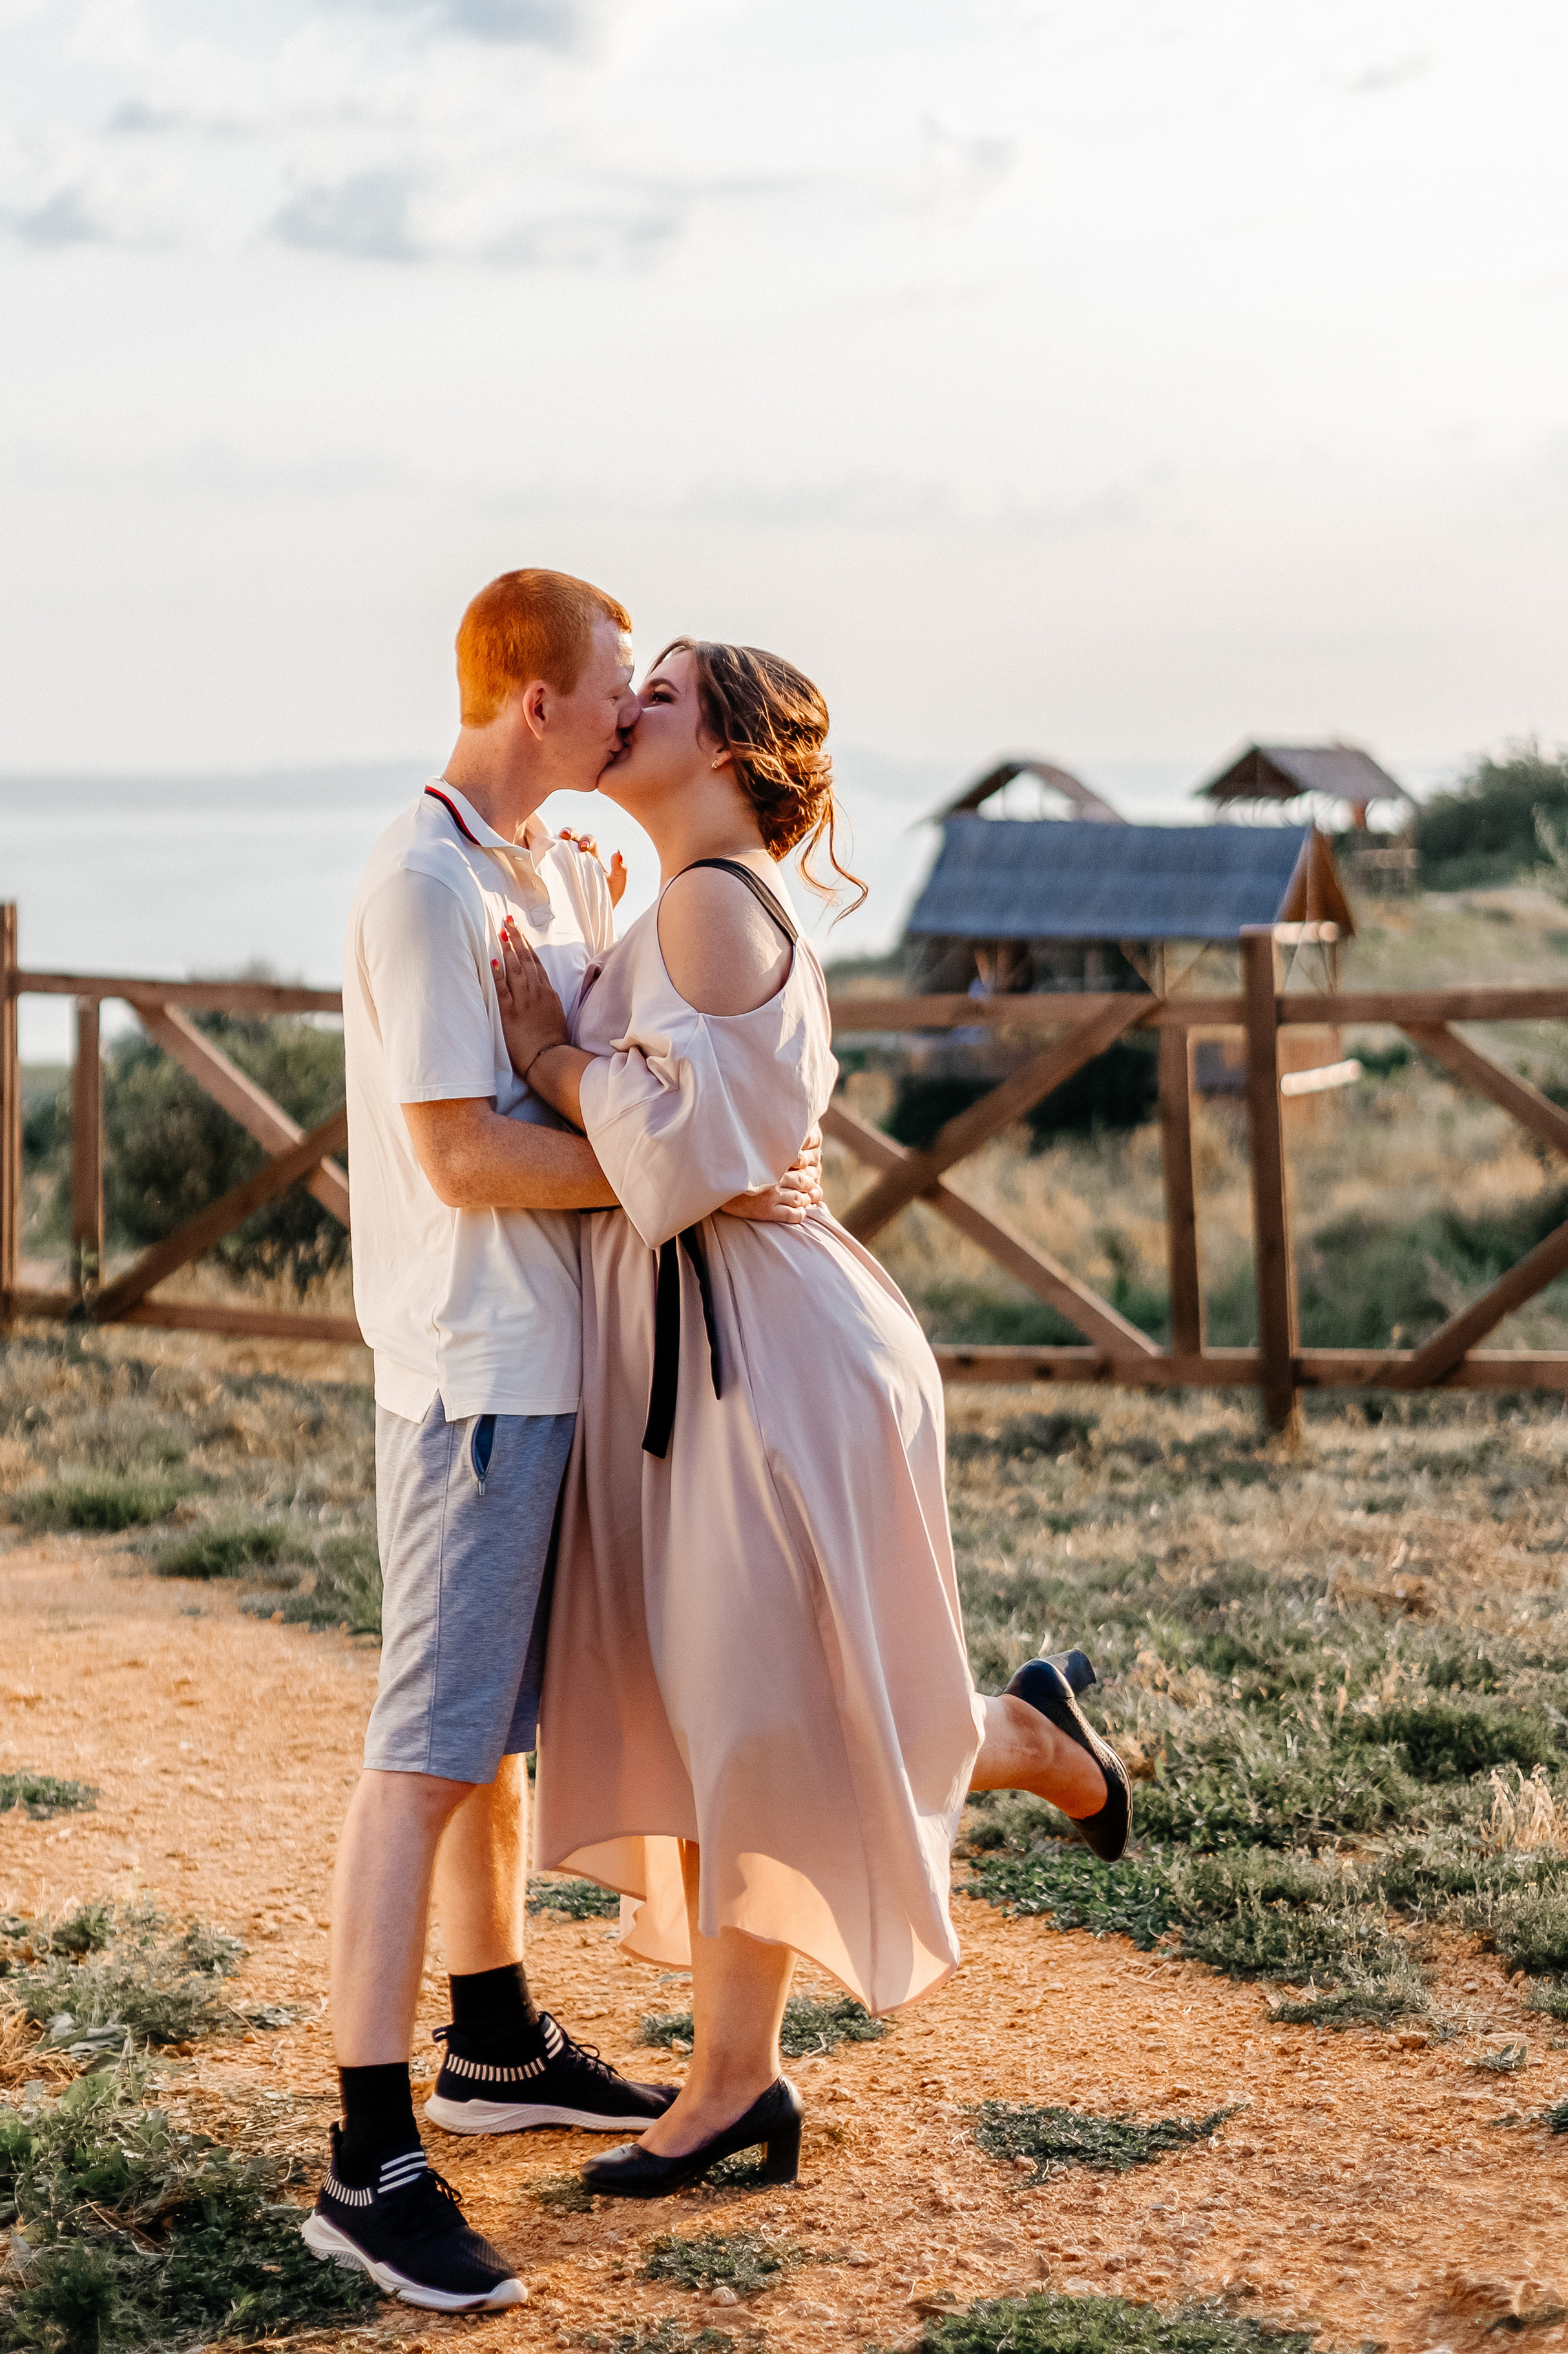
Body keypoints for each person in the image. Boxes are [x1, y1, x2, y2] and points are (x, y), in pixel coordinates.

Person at [490, 637, 1131, 2200]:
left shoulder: (713, 898)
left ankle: (732, 2088)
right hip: (717, 1344)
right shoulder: (679, 893)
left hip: (769, 1350)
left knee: (766, 1717)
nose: (626, 701)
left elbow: (683, 1142)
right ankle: (1014, 1750)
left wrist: (546, 1053)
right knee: (751, 1712)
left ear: (720, 747)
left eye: (660, 691)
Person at [304, 574, 821, 2313]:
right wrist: (694, 1157)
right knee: (432, 1746)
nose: (630, 714)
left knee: (496, 1745)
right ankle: (367, 2159)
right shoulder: (426, 884)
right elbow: (461, 1159)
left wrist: (664, 1104)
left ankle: (494, 2042)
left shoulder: (544, 870)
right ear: (542, 704)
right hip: (475, 1377)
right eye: (617, 690)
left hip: (555, 1369)